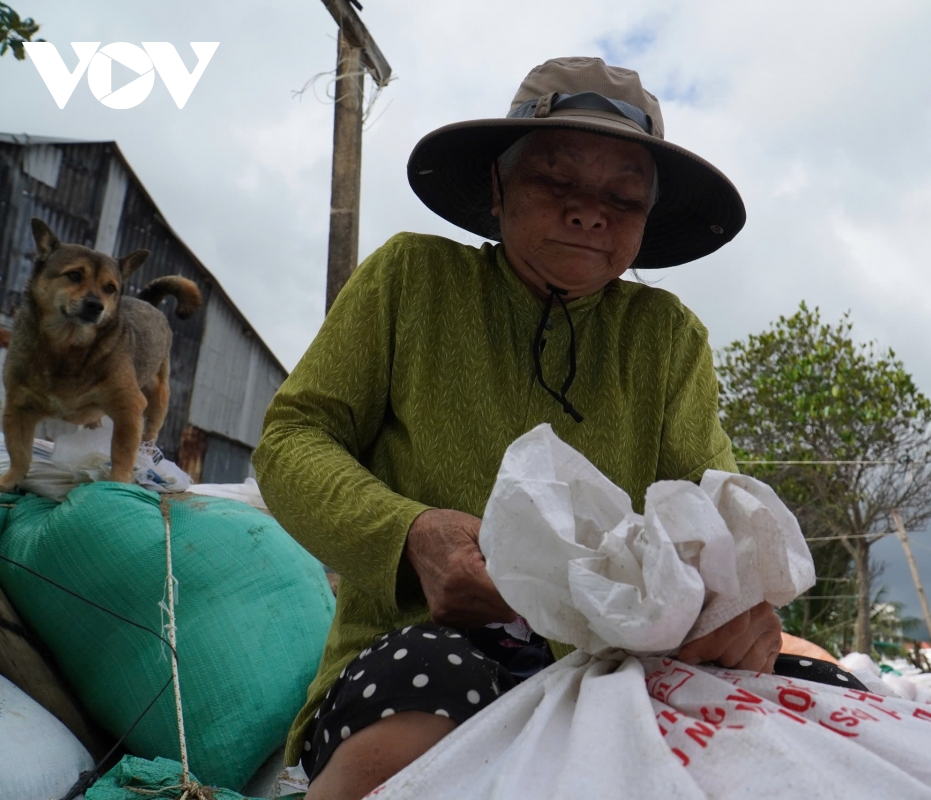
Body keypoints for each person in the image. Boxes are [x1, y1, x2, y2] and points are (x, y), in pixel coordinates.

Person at [254, 56, 857, 800]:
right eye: (556, 181)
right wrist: (411, 536)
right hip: (415, 660)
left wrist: (738, 608)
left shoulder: (666, 338)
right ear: (499, 189)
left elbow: (714, 510)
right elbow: (292, 438)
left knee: (821, 693)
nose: (588, 211)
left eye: (623, 196)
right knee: (439, 678)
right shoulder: (411, 280)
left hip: (617, 677)